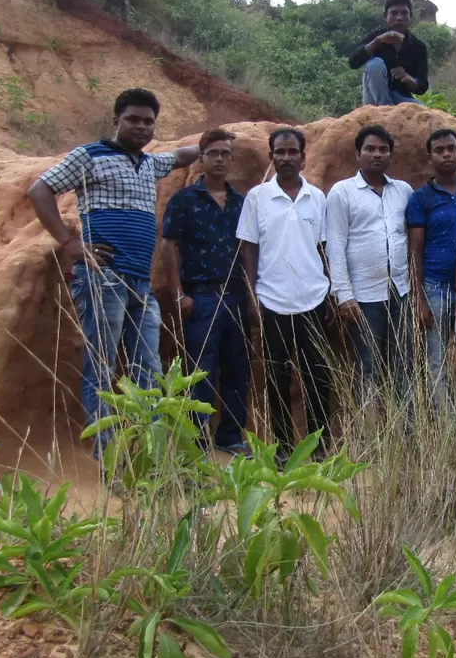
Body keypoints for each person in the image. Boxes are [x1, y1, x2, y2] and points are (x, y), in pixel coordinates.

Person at [28, 88, 200, 447]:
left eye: (148, 121)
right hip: (104, 278)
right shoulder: (90, 156)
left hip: (140, 282)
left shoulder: (150, 163)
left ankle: (149, 454)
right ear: (115, 121)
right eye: (133, 119)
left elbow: (182, 156)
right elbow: (40, 190)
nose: (141, 127)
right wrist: (69, 242)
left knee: (148, 370)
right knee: (102, 367)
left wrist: (213, 144)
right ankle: (107, 455)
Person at [238, 127, 333, 457]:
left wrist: (332, 292)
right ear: (271, 158)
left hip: (314, 299)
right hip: (271, 300)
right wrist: (252, 297)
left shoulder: (317, 198)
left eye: (293, 152)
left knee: (318, 375)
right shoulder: (256, 197)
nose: (287, 158)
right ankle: (281, 448)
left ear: (304, 158)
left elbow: (324, 249)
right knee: (277, 377)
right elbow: (248, 249)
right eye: (280, 152)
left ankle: (320, 445)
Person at [160, 129, 250, 456]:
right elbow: (169, 245)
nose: (220, 159)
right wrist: (178, 294)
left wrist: (250, 296)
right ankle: (195, 439)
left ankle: (229, 435)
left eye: (225, 153)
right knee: (200, 370)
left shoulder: (241, 201)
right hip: (201, 296)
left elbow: (249, 249)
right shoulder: (185, 200)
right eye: (213, 153)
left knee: (238, 367)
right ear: (201, 157)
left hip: (236, 295)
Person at [325, 124, 414, 387]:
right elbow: (336, 245)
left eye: (383, 149)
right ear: (358, 154)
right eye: (370, 149)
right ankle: (369, 427)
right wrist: (344, 295)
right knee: (367, 366)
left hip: (401, 292)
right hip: (363, 296)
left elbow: (408, 238)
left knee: (403, 364)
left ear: (390, 155)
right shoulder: (342, 192)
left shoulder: (403, 191)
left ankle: (406, 428)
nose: (377, 154)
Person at [406, 128, 456, 396]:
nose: (446, 154)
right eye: (439, 150)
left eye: (451, 148)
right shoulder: (420, 198)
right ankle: (443, 428)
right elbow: (414, 250)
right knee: (436, 363)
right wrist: (419, 299)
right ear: (430, 157)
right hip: (434, 287)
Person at [350, 0, 428, 107]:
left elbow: (422, 87)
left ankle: (389, 110)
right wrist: (378, 41)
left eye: (404, 13)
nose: (399, 18)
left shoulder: (419, 47)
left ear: (410, 16)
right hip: (373, 99)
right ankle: (385, 109)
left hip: (401, 98)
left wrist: (408, 78)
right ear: (385, 16)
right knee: (375, 64)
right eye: (394, 13)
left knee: (424, 113)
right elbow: (353, 62)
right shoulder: (376, 37)